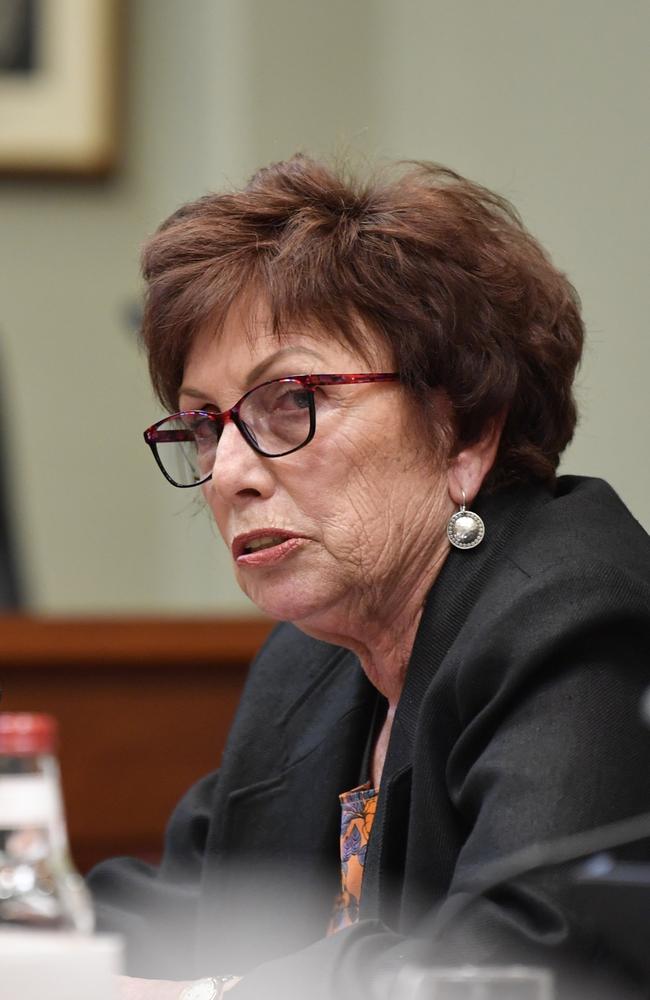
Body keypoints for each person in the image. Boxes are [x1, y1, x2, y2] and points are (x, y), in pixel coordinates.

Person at [88, 156, 650, 1000]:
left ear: (464, 432)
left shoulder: (574, 617)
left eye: (290, 399)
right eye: (206, 424)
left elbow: (526, 963)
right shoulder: (306, 664)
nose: (229, 471)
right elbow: (181, 914)